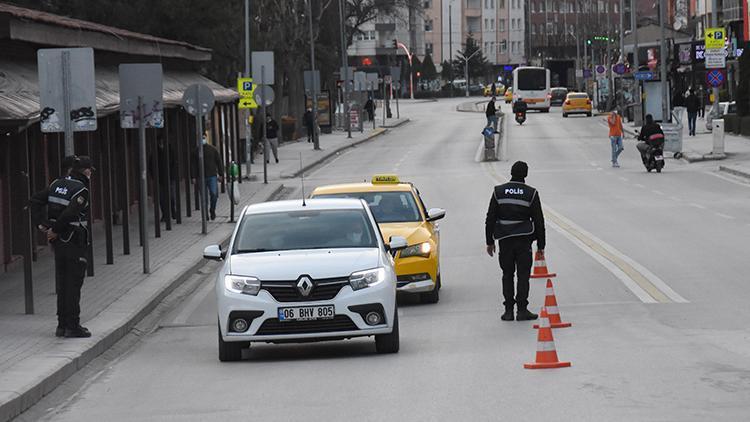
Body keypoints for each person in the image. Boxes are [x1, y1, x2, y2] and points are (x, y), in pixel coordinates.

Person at [30, 156, 94, 338]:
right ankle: (72, 326)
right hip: (73, 241)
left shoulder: (56, 184)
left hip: (58, 244)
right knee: (73, 283)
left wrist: (42, 225)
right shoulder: (81, 190)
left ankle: (61, 325)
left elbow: (35, 200)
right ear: (87, 171)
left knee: (63, 282)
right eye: (90, 171)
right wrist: (55, 230)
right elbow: (70, 212)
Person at [485, 161, 546, 322]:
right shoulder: (531, 193)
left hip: (504, 241)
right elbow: (539, 221)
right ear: (525, 174)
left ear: (511, 172)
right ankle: (522, 310)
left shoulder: (499, 191)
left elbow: (490, 217)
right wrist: (541, 245)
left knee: (507, 274)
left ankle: (508, 311)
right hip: (524, 242)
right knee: (523, 275)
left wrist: (489, 241)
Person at [194, 133, 224, 221]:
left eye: (203, 138)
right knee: (203, 197)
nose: (202, 139)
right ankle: (205, 214)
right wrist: (193, 177)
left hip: (212, 176)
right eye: (201, 138)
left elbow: (219, 162)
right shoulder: (196, 151)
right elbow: (193, 165)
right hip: (201, 177)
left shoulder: (212, 149)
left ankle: (212, 210)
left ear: (206, 138)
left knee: (214, 194)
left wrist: (221, 174)